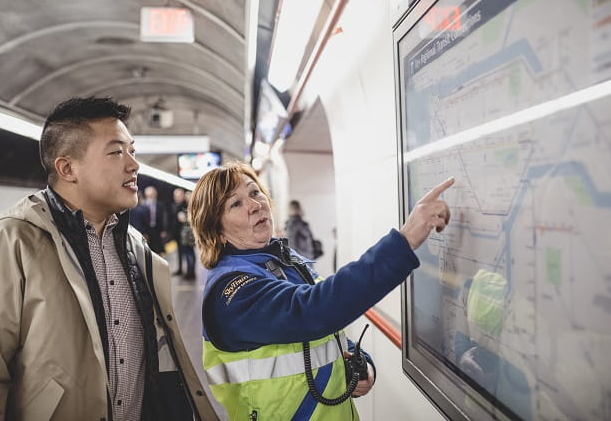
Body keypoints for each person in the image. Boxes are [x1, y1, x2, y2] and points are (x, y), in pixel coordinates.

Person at [0, 97, 218, 421]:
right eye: (116, 151)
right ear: (67, 168)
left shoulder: (134, 246)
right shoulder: (10, 243)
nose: (133, 164)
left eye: (132, 151)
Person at [188, 161, 454, 420]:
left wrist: (359, 361)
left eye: (255, 192)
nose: (255, 205)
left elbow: (326, 331)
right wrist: (403, 242)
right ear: (217, 231)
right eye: (236, 203)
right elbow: (312, 310)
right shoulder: (231, 292)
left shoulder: (285, 261)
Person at [143, 185, 167, 254]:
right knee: (148, 248)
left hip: (157, 229)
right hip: (147, 229)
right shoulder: (143, 204)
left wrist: (163, 230)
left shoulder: (160, 205)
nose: (151, 197)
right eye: (149, 195)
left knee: (157, 248)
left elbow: (163, 218)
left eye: (152, 195)